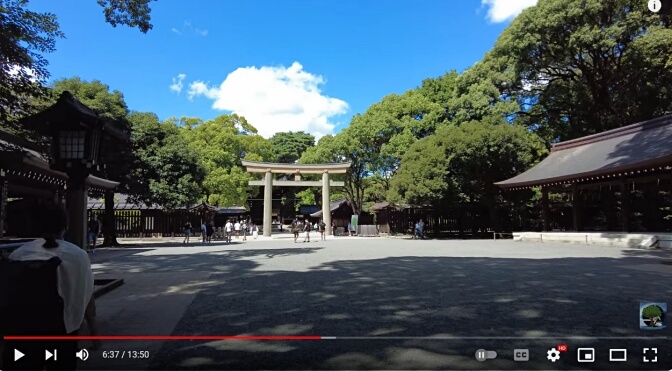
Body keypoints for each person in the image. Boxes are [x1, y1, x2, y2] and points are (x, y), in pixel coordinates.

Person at [3, 203, 95, 370]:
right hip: (65, 329)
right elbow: (87, 294)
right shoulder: (79, 256)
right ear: (65, 225)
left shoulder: (19, 254)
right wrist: (93, 330)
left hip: (25, 329)